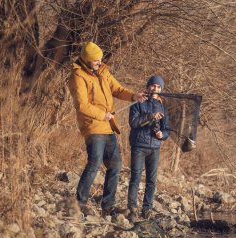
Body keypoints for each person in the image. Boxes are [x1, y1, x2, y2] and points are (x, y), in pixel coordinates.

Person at [68, 42, 146, 216]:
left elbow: (117, 89)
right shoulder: (77, 76)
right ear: (86, 60)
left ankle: (108, 206)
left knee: (116, 164)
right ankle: (79, 204)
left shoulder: (103, 71)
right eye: (96, 60)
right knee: (94, 163)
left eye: (100, 59)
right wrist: (101, 115)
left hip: (108, 127)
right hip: (93, 126)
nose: (99, 62)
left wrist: (133, 95)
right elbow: (81, 105)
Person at [127, 75, 170, 221]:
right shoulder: (138, 102)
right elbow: (133, 122)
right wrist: (151, 116)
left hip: (155, 148)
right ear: (147, 87)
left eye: (158, 87)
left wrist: (161, 134)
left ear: (161, 89)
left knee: (151, 180)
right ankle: (132, 209)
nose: (155, 89)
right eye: (153, 85)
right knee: (136, 177)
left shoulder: (163, 105)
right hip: (139, 145)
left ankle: (147, 209)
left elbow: (167, 129)